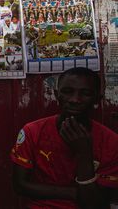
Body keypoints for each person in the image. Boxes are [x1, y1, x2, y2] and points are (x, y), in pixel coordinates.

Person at [11, 67, 118, 209]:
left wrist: (84, 154)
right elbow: (20, 185)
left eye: (85, 94)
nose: (75, 100)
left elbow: (96, 204)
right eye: (67, 92)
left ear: (97, 99)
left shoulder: (111, 142)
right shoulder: (33, 131)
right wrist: (74, 192)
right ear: (57, 95)